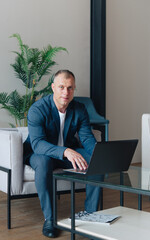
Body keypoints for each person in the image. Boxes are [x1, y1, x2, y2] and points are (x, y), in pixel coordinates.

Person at [23, 70, 102, 238]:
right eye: (61, 87)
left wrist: (99, 154)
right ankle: (50, 220)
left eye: (70, 88)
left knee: (96, 161)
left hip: (68, 153)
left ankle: (91, 215)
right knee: (44, 162)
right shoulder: (38, 109)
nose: (66, 92)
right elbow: (38, 144)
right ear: (53, 88)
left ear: (74, 89)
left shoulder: (79, 109)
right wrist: (65, 151)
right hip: (40, 154)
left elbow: (87, 138)